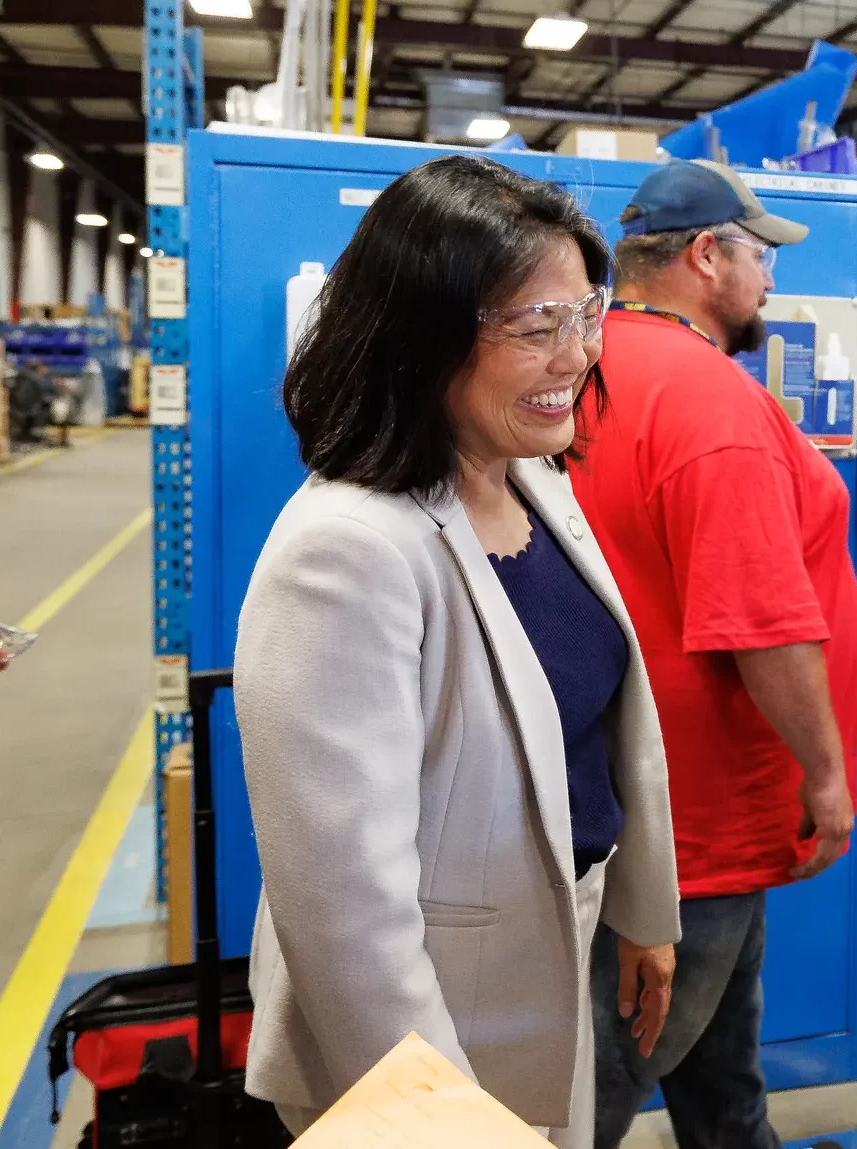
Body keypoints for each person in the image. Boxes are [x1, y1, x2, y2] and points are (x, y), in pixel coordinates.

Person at [233, 155, 681, 1146]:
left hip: (548, 961)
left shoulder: (531, 479)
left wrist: (642, 908)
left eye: (587, 314)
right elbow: (344, 913)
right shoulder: (346, 551)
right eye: (537, 326)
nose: (577, 355)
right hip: (416, 1025)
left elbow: (601, 731)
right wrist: (436, 1123)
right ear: (420, 337)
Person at [567, 159, 857, 1149]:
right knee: (606, 1081)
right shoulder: (711, 400)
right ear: (705, 256)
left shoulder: (582, 366)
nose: (770, 278)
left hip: (629, 798)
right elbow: (760, 622)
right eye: (758, 256)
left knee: (719, 1069)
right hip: (699, 822)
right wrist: (826, 775)